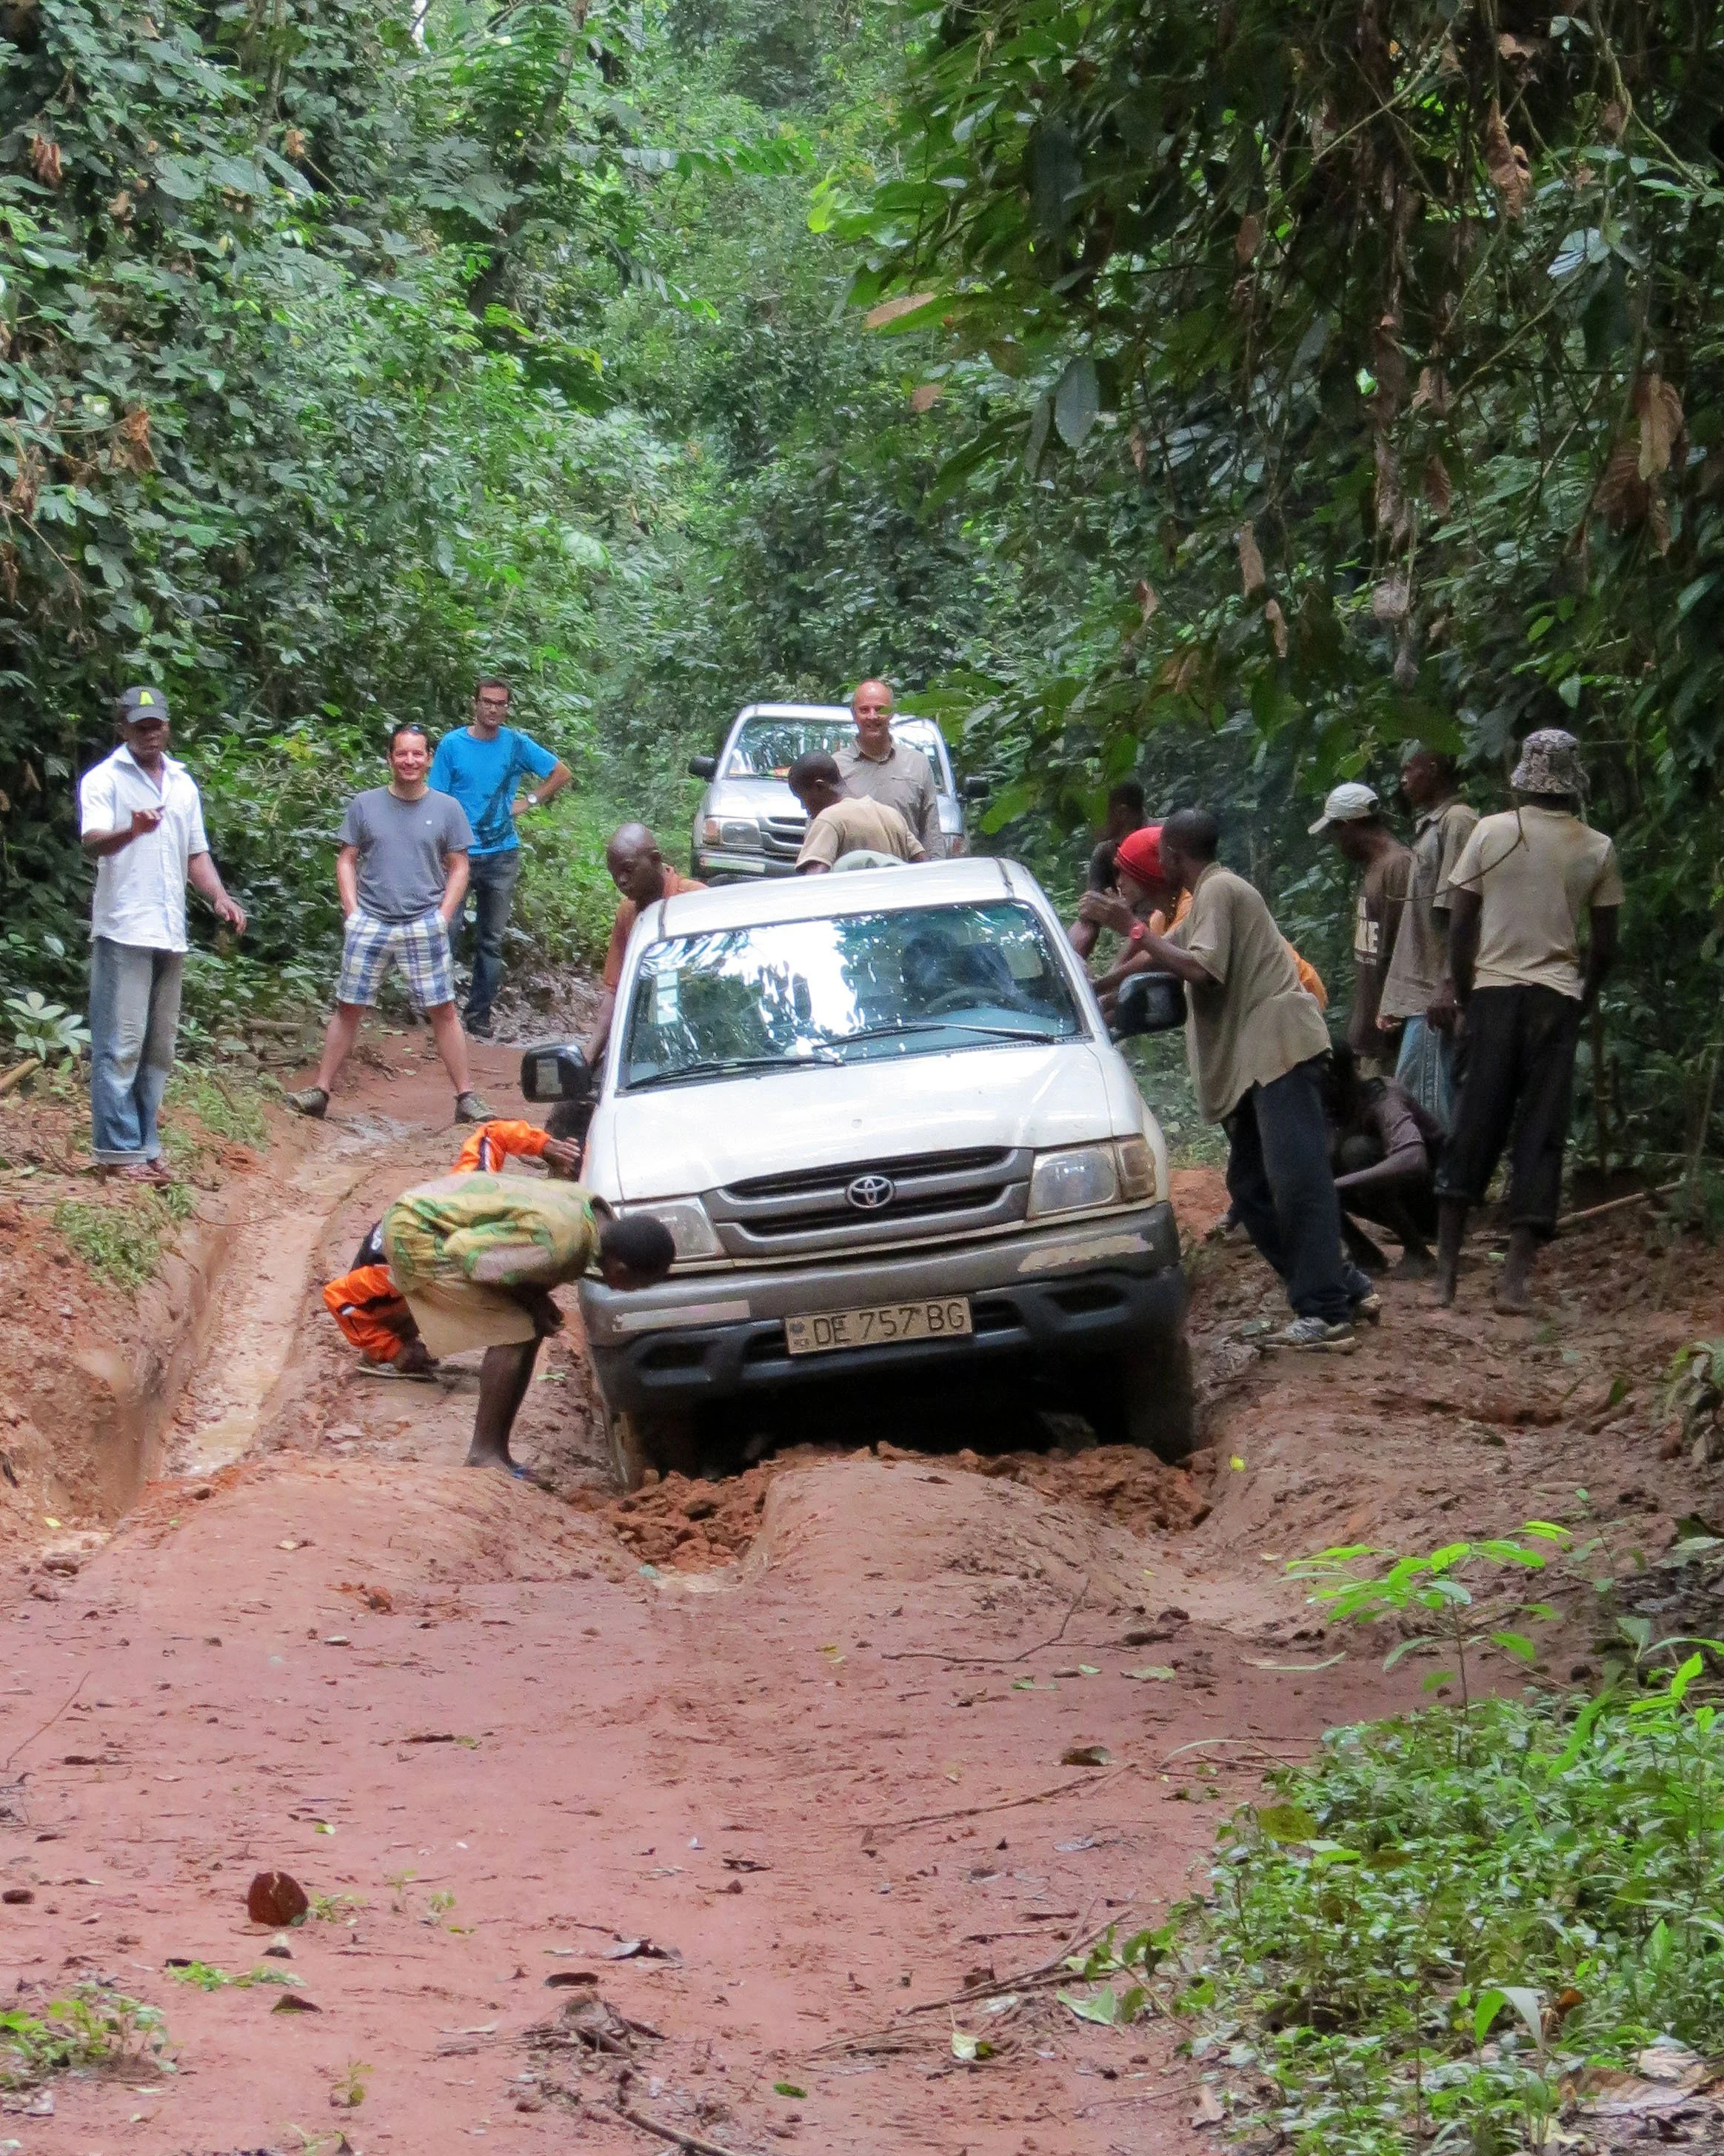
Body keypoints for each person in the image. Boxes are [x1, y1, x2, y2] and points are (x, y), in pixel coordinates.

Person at [1129, 809, 1365, 1350]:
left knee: (1297, 1182)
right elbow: (1162, 959)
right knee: (1253, 1187)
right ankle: (1337, 1288)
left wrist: (1133, 928)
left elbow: (1200, 969)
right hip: (1263, 1058)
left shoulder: (1219, 891)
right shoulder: (1211, 892)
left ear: (1171, 855)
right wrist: (1096, 988)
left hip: (1280, 1049)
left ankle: (1325, 1310)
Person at [1434, 729, 1622, 1314]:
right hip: (1555, 1001)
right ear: (1573, 784)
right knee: (1541, 1133)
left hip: (1493, 995)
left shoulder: (1491, 832)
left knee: (1474, 1122)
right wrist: (1581, 998)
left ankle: (1445, 1279)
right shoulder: (1598, 846)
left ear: (1522, 779)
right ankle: (1512, 1283)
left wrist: (1465, 998)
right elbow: (1606, 945)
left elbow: (1461, 924)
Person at [381, 1171, 674, 1471]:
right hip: (416, 1230)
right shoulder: (563, 1245)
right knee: (514, 1333)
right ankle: (485, 1454)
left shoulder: (595, 1215)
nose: (629, 1292)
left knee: (529, 1327)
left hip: (429, 1211)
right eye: (636, 1286)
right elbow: (468, 1254)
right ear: (621, 1270)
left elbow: (515, 1255)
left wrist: (536, 1301)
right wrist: (534, 1301)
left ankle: (497, 1451)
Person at [77, 686, 247, 1184]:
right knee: (120, 1043)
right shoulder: (104, 780)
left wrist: (219, 896)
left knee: (157, 1049)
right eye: (140, 725)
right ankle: (117, 1149)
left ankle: (146, 1144)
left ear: (168, 726)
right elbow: (92, 843)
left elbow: (196, 853)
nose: (150, 733)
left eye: (157, 724)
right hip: (124, 928)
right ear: (122, 728)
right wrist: (130, 831)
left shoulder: (181, 783)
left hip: (169, 930)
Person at [287, 723, 492, 1123]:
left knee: (444, 1009)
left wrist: (443, 917)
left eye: (418, 753)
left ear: (429, 758)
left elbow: (460, 867)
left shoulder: (448, 808)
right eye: (402, 753)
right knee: (348, 1006)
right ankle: (320, 1091)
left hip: (423, 922)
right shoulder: (365, 805)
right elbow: (346, 858)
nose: (410, 761)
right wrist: (352, 913)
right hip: (372, 921)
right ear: (390, 758)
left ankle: (467, 1097)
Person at [323, 1119, 582, 1379]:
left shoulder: (472, 1183)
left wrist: (543, 1145)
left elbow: (491, 1134)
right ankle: (388, 1345)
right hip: (386, 1298)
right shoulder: (403, 1266)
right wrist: (394, 1350)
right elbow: (338, 1297)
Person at [428, 678, 571, 1040]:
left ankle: (479, 1015)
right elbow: (437, 799)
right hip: (458, 854)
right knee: (446, 932)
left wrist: (530, 802)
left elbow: (560, 772)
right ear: (474, 704)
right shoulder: (452, 745)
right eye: (487, 702)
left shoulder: (515, 744)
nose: (493, 709)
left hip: (501, 854)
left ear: (507, 708)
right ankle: (440, 1015)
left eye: (501, 704)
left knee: (490, 940)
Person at [1083, 823, 1329, 1020]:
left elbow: (1184, 964)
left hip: (1296, 994)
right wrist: (1096, 993)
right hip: (1257, 1012)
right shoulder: (1161, 917)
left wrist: (1129, 929)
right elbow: (1151, 961)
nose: (1118, 882)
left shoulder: (1197, 899)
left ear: (1147, 869)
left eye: (1123, 871)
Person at [1377, 745, 1478, 1131]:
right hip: (1422, 994)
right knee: (1418, 1097)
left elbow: (1462, 910)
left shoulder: (1458, 822)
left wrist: (1450, 985)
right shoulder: (1433, 827)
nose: (1403, 780)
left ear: (1434, 769)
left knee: (1429, 1109)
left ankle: (1441, 1187)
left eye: (1410, 769)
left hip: (1435, 997)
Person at [1309, 781, 1412, 1076]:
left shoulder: (1399, 867)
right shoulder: (1376, 868)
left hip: (1390, 1037)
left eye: (1334, 832)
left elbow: (1406, 947)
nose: (1334, 842)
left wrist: (1395, 1009)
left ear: (1348, 826)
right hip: (1370, 1035)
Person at [582, 825, 705, 1066]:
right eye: (614, 874)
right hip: (648, 1037)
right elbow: (614, 990)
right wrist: (588, 1056)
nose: (621, 881)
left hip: (698, 1032)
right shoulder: (627, 913)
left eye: (628, 870)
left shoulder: (696, 899)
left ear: (655, 860)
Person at [1323, 1042, 1443, 1278]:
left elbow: (1413, 1159)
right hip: (1410, 1199)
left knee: (1356, 1151)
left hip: (1440, 1205)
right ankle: (1364, 1254)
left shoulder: (1383, 1096)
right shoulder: (1334, 1110)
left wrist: (1335, 1185)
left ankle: (1417, 1252)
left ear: (1335, 1081)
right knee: (1314, 1169)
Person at [833, 680, 940, 856]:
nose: (873, 716)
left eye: (880, 709)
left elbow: (931, 831)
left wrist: (936, 876)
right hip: (852, 876)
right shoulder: (836, 766)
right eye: (864, 710)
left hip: (905, 875)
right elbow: (820, 826)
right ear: (854, 714)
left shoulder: (917, 764)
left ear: (892, 714)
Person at [788, 751, 925, 872]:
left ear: (819, 786)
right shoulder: (892, 815)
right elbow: (923, 865)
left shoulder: (829, 819)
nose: (802, 806)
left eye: (802, 797)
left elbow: (814, 881)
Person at [1068, 780, 1146, 960]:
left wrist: (1109, 980)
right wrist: (1068, 968)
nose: (1088, 822)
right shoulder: (1106, 852)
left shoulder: (1160, 845)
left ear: (1122, 813)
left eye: (1093, 813)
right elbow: (1088, 920)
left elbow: (1160, 930)